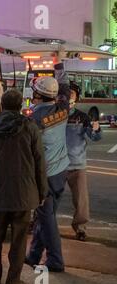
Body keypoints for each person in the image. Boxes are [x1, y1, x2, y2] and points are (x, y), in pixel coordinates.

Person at [0, 90, 47, 284]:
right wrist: (42, 191)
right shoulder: (30, 128)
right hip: (24, 195)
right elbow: (39, 163)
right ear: (19, 106)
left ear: (2, 104)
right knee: (18, 240)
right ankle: (12, 282)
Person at [26, 53, 71, 273]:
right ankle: (34, 254)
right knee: (45, 216)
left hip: (45, 175)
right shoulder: (63, 109)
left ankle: (55, 260)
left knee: (47, 218)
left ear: (37, 95)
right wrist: (58, 62)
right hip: (62, 171)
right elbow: (64, 85)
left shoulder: (33, 120)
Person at [66, 81, 102, 241]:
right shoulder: (54, 114)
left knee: (81, 201)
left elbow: (95, 137)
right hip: (56, 164)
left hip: (76, 164)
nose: (68, 97)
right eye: (65, 94)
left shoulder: (82, 117)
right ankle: (40, 223)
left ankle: (80, 228)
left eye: (71, 94)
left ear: (77, 97)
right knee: (47, 198)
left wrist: (96, 128)